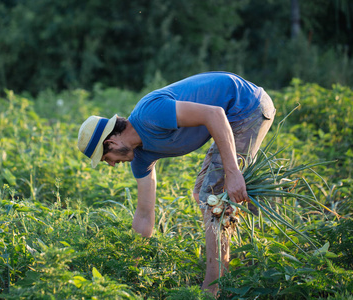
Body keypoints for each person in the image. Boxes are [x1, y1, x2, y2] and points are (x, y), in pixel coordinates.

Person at [77, 71, 276, 295]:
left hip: (245, 106)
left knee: (212, 199)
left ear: (111, 142)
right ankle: (233, 262)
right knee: (205, 195)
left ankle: (212, 289)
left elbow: (215, 114)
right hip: (231, 116)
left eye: (106, 159)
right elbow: (144, 214)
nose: (112, 165)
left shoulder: (150, 114)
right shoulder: (141, 157)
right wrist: (130, 267)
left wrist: (233, 172)